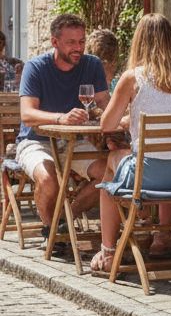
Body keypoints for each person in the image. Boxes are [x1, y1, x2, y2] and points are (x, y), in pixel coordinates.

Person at [90, 13, 171, 275]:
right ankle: (162, 237)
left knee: (111, 163)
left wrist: (125, 116)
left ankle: (108, 251)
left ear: (139, 41)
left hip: (150, 176)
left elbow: (106, 125)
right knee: (168, 154)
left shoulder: (133, 78)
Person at [16, 13, 110, 231]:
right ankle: (52, 230)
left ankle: (62, 221)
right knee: (49, 180)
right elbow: (27, 114)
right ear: (55, 42)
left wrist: (117, 119)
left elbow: (105, 102)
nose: (78, 48)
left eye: (81, 41)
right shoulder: (36, 67)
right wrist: (61, 118)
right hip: (35, 141)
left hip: (73, 141)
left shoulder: (92, 65)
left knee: (110, 174)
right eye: (71, 43)